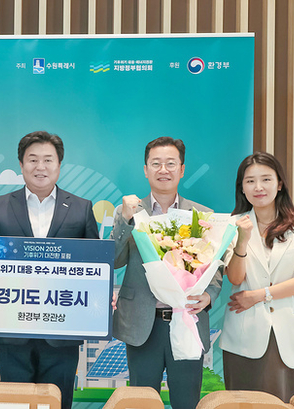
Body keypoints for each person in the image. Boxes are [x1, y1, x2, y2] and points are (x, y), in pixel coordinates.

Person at [0, 130, 99, 409]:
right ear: (21, 164)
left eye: (48, 160)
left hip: (63, 332)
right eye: (33, 159)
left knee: (58, 401)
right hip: (11, 329)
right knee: (14, 403)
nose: (41, 167)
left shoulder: (81, 208)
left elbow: (95, 263)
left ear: (59, 164)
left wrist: (101, 294)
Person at [109, 136, 221, 409]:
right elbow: (113, 260)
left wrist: (209, 295)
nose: (163, 170)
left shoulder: (202, 215)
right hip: (142, 323)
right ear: (145, 169)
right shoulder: (128, 211)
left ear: (182, 170)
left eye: (170, 163)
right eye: (156, 163)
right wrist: (125, 219)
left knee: (187, 401)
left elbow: (215, 266)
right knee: (142, 402)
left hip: (187, 319)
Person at [220, 152, 294, 401]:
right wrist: (242, 241)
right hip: (245, 334)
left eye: (266, 179)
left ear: (279, 184)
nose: (258, 187)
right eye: (250, 181)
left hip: (292, 333)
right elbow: (235, 278)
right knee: (243, 403)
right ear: (242, 188)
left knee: (287, 402)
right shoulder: (231, 226)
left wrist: (260, 295)